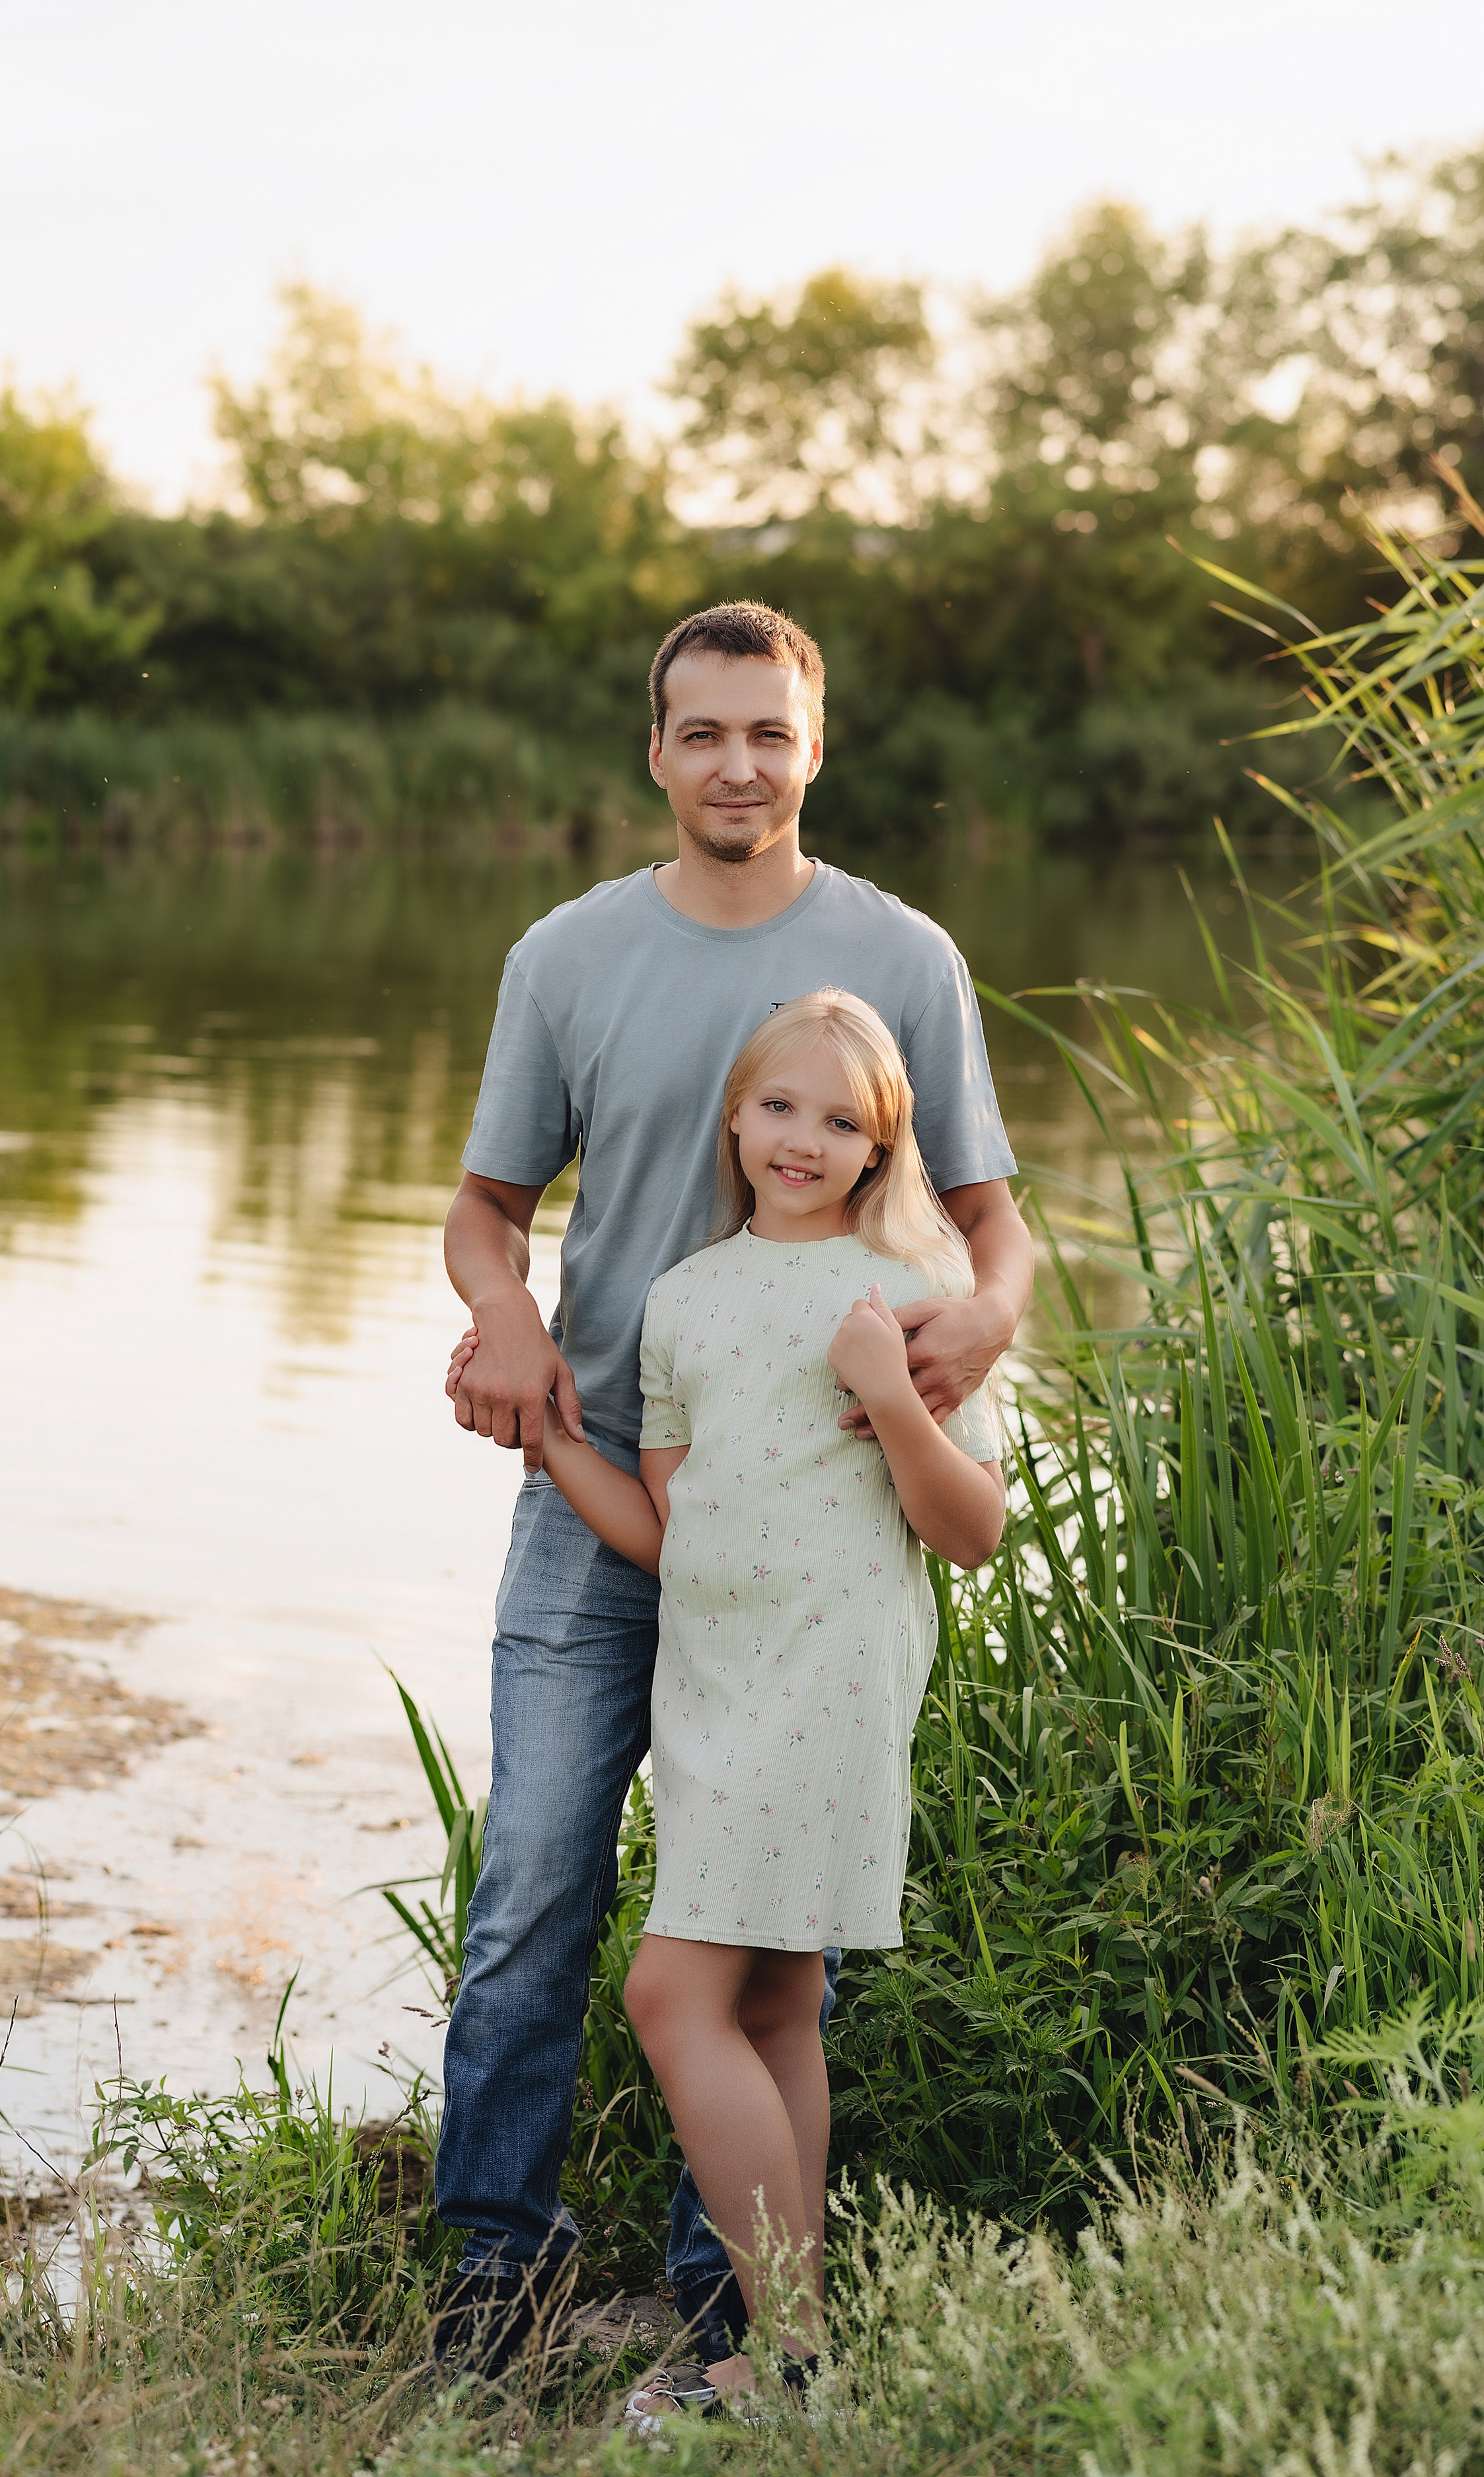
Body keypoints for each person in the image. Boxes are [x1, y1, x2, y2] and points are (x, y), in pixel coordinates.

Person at [435, 598, 1032, 2377]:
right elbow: (486, 1206)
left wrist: (980, 1326)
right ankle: (492, 2278)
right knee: (537, 1881)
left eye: (767, 731)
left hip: (818, 1536)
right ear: (656, 749)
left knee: (777, 1956)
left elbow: (992, 1219)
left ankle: (733, 2312)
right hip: (608, 1496)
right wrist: (509, 1322)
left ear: (814, 744)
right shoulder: (568, 953)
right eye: (703, 732)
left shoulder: (900, 955)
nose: (736, 763)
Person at [461, 989, 1006, 2417]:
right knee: (768, 2003)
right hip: (708, 1670)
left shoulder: (910, 1286)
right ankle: (788, 2354)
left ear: (882, 1144)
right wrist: (546, 1438)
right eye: (779, 1107)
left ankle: (789, 2349)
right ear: (734, 1116)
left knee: (665, 1987)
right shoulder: (684, 1299)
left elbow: (970, 1530)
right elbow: (665, 1532)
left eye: (841, 1120)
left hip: (830, 1670)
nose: (802, 1138)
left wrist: (891, 1394)